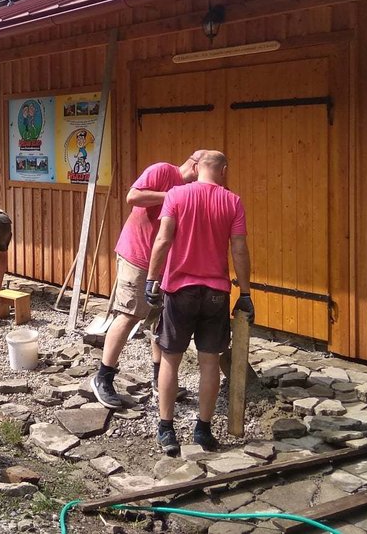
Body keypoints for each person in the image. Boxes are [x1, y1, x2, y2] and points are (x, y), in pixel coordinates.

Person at [144, 150, 254, 455]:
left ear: (196, 167)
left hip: (179, 290)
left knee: (170, 359)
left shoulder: (177, 195)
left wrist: (152, 279)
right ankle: (203, 431)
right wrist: (245, 294)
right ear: (224, 170)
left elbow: (164, 239)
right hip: (216, 294)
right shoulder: (232, 201)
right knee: (209, 363)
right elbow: (240, 250)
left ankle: (166, 430)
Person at [90, 151, 203, 410]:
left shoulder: (190, 190)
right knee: (130, 313)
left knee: (159, 321)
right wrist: (171, 196)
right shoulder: (164, 171)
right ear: (195, 166)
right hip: (137, 256)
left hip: (164, 264)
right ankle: (103, 377)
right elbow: (133, 196)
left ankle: (158, 380)